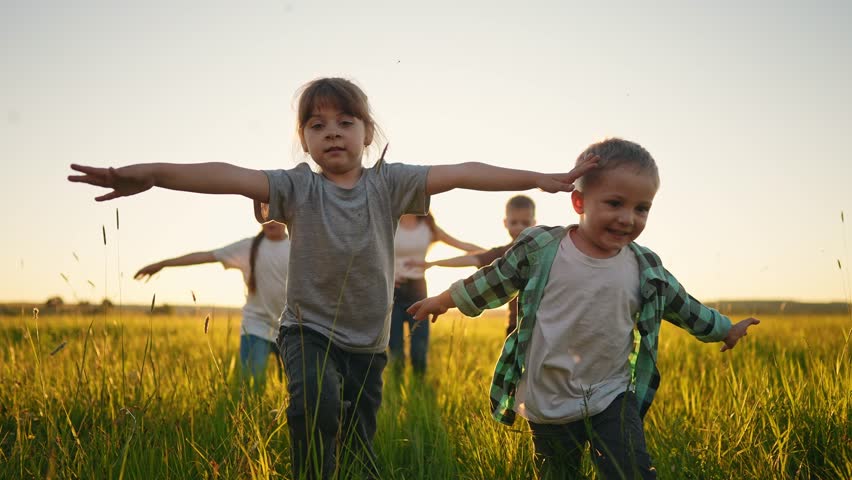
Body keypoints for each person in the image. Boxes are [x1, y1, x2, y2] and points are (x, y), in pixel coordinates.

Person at [68, 77, 598, 479]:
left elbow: (463, 172)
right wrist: (154, 175)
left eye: (344, 121)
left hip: (368, 342)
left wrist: (536, 178)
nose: (332, 132)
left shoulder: (391, 184)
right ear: (304, 139)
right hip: (307, 329)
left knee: (360, 440)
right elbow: (224, 174)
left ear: (368, 133)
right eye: (317, 125)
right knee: (315, 404)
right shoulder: (297, 188)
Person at [407, 138, 760, 479]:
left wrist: (723, 329)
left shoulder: (644, 266)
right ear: (579, 202)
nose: (627, 218)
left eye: (641, 208)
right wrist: (443, 299)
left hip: (612, 394)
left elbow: (682, 304)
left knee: (631, 471)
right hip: (549, 399)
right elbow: (493, 280)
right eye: (615, 203)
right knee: (559, 472)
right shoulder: (542, 249)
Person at [133, 219, 289, 389]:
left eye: (276, 209)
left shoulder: (297, 246)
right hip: (255, 327)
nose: (271, 219)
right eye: (265, 211)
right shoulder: (248, 247)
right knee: (252, 386)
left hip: (291, 328)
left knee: (298, 390)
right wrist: (163, 264)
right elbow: (205, 256)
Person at [417, 195, 536, 336]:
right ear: (505, 222)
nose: (519, 227)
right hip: (515, 325)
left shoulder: (544, 249)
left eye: (525, 223)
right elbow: (471, 259)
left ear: (534, 223)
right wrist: (433, 263)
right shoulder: (503, 252)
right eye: (514, 222)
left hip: (542, 323)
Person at [390, 212, 482, 375]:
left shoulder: (428, 226)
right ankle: (397, 390)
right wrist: (386, 274)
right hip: (393, 290)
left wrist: (496, 254)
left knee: (419, 350)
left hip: (418, 290)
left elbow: (461, 245)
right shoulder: (390, 221)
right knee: (395, 349)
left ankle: (418, 389)